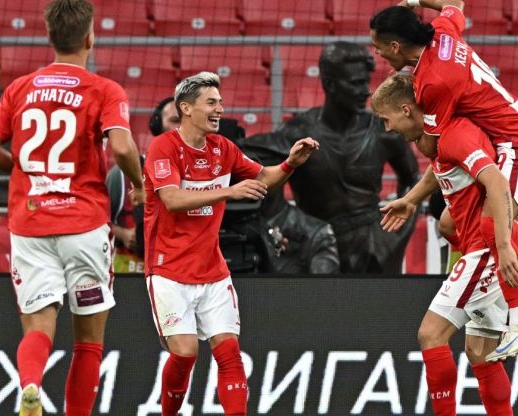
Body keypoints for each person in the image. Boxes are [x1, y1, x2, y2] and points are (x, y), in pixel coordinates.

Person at [0, 1, 146, 415]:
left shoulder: (20, 88)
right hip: (84, 225)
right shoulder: (103, 89)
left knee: (39, 326)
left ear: (49, 37)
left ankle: (31, 386)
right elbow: (123, 147)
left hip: (31, 223)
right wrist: (140, 184)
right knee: (88, 341)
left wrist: (28, 169)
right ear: (90, 38)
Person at [370, 0, 518, 344]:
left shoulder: (433, 82)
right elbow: (455, 3)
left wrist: (413, 127)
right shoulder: (442, 31)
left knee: (493, 220)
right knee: (448, 223)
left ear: (395, 46)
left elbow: (432, 147)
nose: (377, 54)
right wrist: (415, 2)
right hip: (505, 140)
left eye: (378, 47)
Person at [143, 71, 319, 416]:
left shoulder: (223, 148)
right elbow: (173, 199)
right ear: (186, 108)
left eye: (220, 102)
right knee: (185, 353)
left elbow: (264, 177)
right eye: (211, 102)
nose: (220, 109)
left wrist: (290, 164)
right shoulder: (163, 147)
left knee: (229, 353)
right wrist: (228, 191)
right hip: (168, 270)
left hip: (213, 270)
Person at [373, 74, 518, 415]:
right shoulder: (438, 135)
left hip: (491, 248)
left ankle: (515, 288)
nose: (387, 127)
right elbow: (443, 167)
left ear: (406, 110)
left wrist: (503, 249)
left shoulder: (455, 134)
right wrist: (411, 199)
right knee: (481, 354)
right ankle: (516, 288)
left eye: (386, 119)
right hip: (495, 246)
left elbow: (496, 181)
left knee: (431, 334)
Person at [246, 41, 419, 273]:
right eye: (355, 83)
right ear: (329, 83)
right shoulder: (297, 133)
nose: (365, 91)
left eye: (365, 82)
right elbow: (258, 171)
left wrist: (394, 237)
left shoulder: (383, 130)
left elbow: (412, 179)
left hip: (373, 245)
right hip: (314, 242)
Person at [240, 136, 341, 274]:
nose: (252, 179)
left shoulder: (315, 233)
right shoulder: (227, 225)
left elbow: (325, 286)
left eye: (262, 172)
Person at [107, 97, 180, 273]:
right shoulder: (123, 173)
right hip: (130, 273)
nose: (182, 126)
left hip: (177, 271)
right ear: (157, 125)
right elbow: (95, 220)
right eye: (175, 120)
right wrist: (123, 234)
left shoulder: (204, 173)